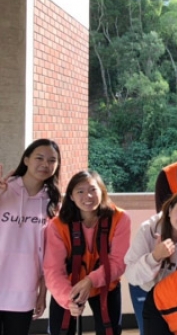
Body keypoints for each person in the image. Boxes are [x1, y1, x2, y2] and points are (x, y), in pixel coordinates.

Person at [44, 170, 131, 335]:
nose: (88, 196)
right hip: (69, 286)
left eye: (93, 190)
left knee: (110, 331)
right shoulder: (57, 225)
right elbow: (53, 269)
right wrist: (68, 299)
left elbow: (119, 261)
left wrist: (90, 281)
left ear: (102, 192)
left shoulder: (120, 218)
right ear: (71, 196)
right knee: (60, 331)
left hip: (106, 284)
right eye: (80, 191)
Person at [124, 188, 177, 333]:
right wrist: (155, 257)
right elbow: (131, 275)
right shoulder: (148, 229)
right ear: (170, 210)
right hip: (144, 288)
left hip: (175, 294)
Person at [0, 139, 61, 335]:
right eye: (39, 158)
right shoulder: (4, 189)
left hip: (23, 290)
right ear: (26, 159)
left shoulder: (53, 203)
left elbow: (49, 255)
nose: (45, 164)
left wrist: (42, 293)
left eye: (52, 160)